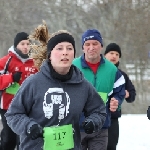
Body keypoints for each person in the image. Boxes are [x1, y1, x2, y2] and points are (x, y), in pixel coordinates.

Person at [5, 22, 106, 150]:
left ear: (74, 54)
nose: (65, 53)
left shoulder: (82, 85)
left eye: (69, 48)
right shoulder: (33, 83)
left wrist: (93, 122)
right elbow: (13, 114)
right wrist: (29, 126)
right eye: (59, 48)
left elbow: (99, 111)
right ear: (50, 55)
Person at [73, 29, 125, 150]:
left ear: (101, 46)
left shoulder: (112, 69)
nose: (91, 47)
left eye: (95, 43)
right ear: (83, 48)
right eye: (87, 44)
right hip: (76, 127)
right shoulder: (73, 67)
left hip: (101, 127)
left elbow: (119, 90)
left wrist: (116, 101)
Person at [0, 32, 38, 150]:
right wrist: (11, 78)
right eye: (22, 44)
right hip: (8, 106)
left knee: (23, 138)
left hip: (29, 107)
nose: (26, 46)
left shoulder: (36, 62)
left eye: (28, 44)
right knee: (8, 139)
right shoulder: (7, 61)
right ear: (16, 45)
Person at [104, 43, 136, 150]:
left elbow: (132, 95)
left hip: (113, 118)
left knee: (111, 146)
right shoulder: (98, 72)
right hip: (96, 116)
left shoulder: (122, 75)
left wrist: (127, 94)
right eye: (111, 53)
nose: (114, 56)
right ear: (105, 55)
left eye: (117, 54)